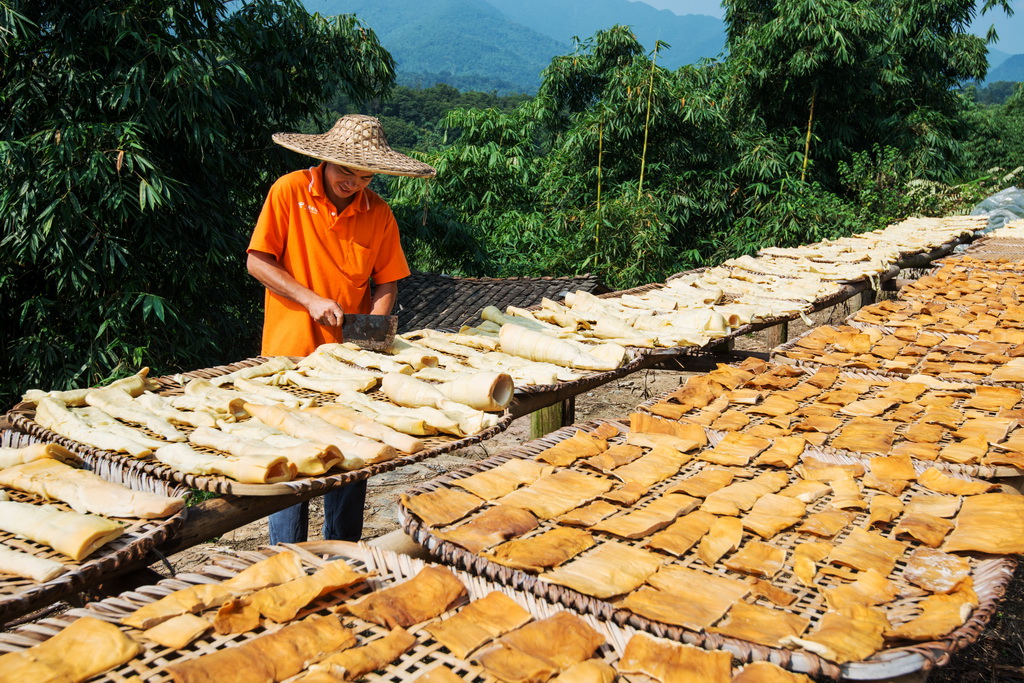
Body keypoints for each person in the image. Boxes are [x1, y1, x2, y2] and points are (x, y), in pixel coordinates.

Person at [246, 114, 436, 544]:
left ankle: (344, 553)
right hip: (290, 354)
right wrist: (310, 299)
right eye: (346, 172)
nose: (355, 182)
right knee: (292, 461)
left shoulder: (379, 213)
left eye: (365, 175)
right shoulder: (289, 191)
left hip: (351, 359)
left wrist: (375, 333)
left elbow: (387, 282)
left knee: (354, 460)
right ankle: (286, 555)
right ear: (324, 161)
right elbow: (257, 262)